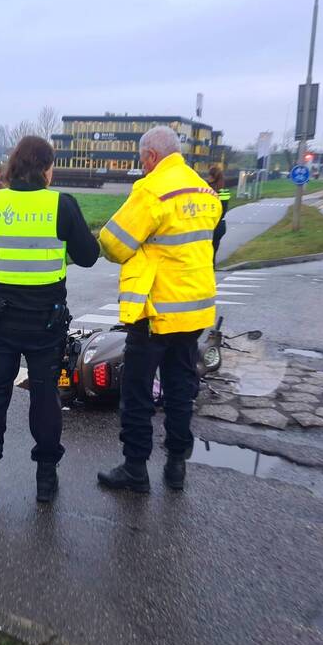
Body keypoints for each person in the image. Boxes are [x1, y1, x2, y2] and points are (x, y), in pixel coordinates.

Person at [0, 136, 99, 503]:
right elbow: (88, 256)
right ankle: (45, 480)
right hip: (45, 324)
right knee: (45, 397)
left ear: (14, 165)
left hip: (0, 322)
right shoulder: (61, 206)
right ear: (47, 169)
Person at [96, 126, 221, 493]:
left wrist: (141, 246)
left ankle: (135, 468)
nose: (142, 166)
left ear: (150, 156)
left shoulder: (151, 190)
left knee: (136, 393)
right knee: (181, 389)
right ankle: (176, 465)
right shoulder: (204, 191)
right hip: (193, 311)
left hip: (155, 312)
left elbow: (113, 243)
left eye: (141, 160)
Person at [208, 165, 231, 259]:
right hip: (221, 225)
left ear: (213, 177)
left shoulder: (208, 190)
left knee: (207, 254)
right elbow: (223, 209)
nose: (207, 178)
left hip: (212, 224)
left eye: (209, 176)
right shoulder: (225, 191)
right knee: (213, 251)